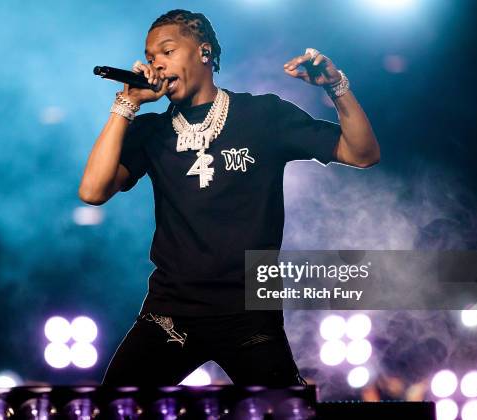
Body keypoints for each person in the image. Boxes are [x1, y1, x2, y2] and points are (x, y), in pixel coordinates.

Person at [79, 9, 379, 386]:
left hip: (250, 313)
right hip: (171, 313)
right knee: (115, 407)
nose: (157, 63)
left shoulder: (262, 115)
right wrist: (126, 105)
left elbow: (362, 154)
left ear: (203, 52)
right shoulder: (150, 131)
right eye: (151, 56)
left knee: (284, 412)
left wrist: (335, 87)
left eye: (167, 51)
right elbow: (92, 191)